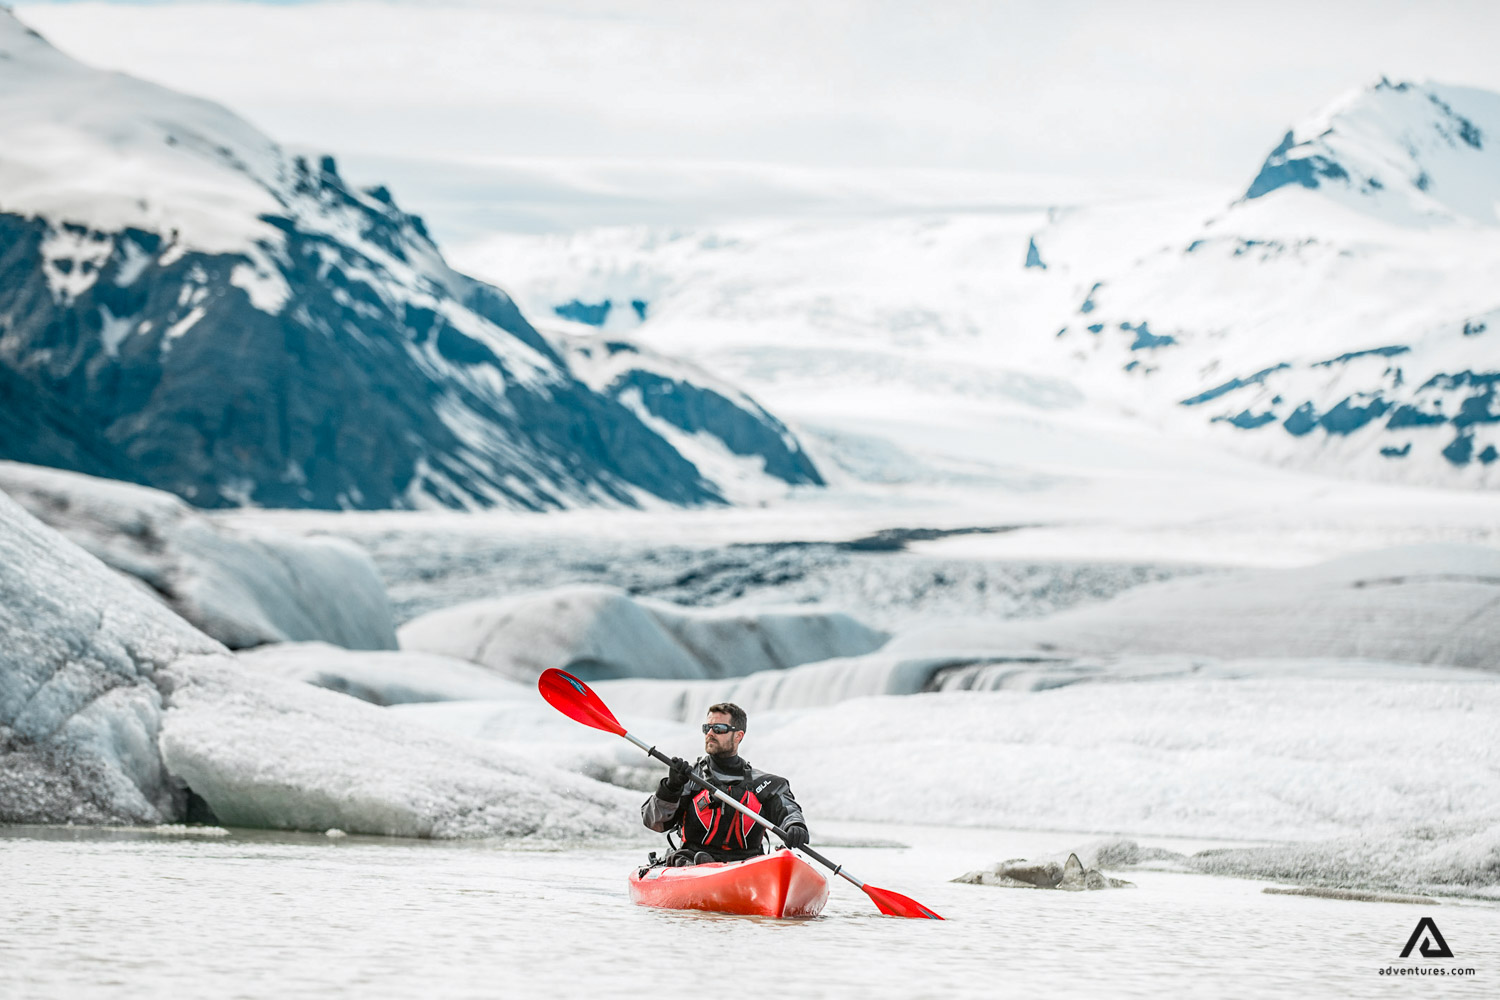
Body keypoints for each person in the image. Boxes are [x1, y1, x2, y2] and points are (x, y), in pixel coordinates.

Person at [641, 701, 809, 865]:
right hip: (692, 861)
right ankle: (703, 865)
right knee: (689, 859)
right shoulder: (688, 778)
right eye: (707, 728)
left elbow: (789, 810)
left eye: (719, 729)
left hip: (748, 864)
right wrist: (671, 788)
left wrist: (795, 826)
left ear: (738, 736)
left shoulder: (764, 784)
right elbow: (653, 822)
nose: (710, 733)